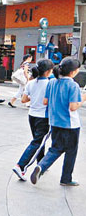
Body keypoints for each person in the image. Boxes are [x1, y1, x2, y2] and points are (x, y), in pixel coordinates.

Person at [30, 57, 86, 186]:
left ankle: (42, 166)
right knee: (71, 151)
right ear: (73, 72)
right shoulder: (73, 85)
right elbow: (73, 107)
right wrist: (83, 99)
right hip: (70, 124)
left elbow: (45, 101)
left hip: (54, 122)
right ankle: (66, 178)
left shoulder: (52, 82)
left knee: (55, 148)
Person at [12, 59, 54, 181]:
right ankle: (21, 166)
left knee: (38, 141)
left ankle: (41, 163)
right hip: (44, 116)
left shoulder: (31, 83)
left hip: (32, 115)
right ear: (48, 71)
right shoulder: (50, 84)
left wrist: (35, 97)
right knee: (37, 142)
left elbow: (24, 100)